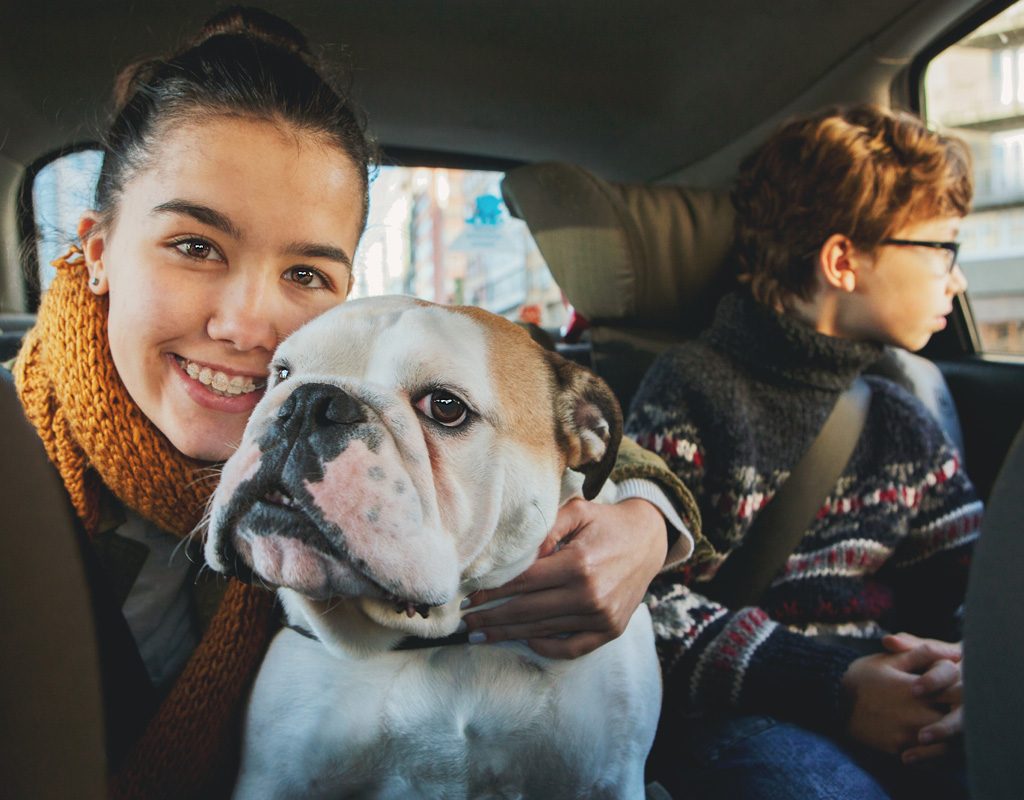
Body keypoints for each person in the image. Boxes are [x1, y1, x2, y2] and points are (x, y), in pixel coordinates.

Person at [7, 7, 696, 797]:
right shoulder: (21, 463)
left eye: (305, 275)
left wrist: (646, 519)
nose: (245, 326)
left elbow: (521, 413)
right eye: (195, 247)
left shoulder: (335, 425)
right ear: (97, 253)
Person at [627, 104, 982, 800]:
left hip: (901, 703)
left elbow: (974, 586)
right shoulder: (696, 388)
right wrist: (834, 683)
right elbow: (641, 599)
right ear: (843, 261)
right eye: (943, 249)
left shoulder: (903, 414)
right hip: (745, 707)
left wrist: (972, 668)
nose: (957, 278)